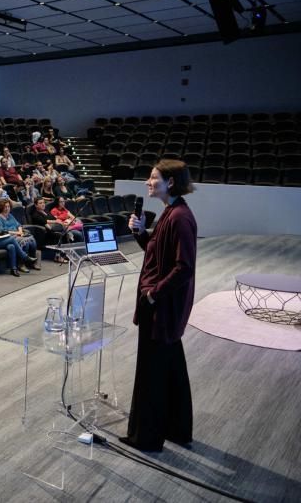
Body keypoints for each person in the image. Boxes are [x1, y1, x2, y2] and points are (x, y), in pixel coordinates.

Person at [121, 160, 197, 453]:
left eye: (153, 178)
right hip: (163, 305)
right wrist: (141, 233)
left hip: (161, 307)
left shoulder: (179, 218)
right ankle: (176, 429)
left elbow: (183, 267)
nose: (147, 182)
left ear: (171, 183)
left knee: (151, 373)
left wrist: (153, 294)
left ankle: (147, 437)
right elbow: (156, 254)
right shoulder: (171, 213)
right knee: (171, 369)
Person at [0, 198, 40, 270]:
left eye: (8, 206)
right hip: (10, 236)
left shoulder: (10, 216)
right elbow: (2, 231)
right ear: (1, 208)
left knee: (32, 240)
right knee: (25, 243)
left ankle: (31, 262)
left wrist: (20, 231)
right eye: (5, 207)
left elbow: (18, 225)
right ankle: (21, 264)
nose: (7, 208)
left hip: (18, 234)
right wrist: (17, 233)